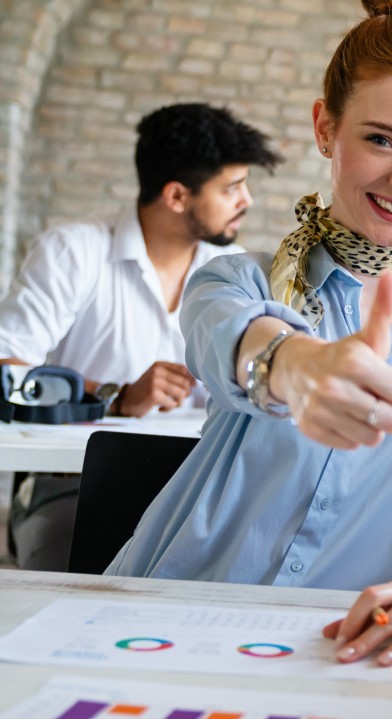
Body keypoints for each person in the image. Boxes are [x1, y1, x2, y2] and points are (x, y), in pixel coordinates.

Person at [107, 0, 392, 668]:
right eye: (379, 139)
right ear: (325, 127)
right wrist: (292, 363)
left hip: (345, 654)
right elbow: (227, 336)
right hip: (171, 623)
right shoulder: (237, 280)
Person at [0, 102, 283, 570]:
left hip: (196, 492)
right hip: (72, 488)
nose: (246, 200)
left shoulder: (235, 271)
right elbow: (7, 371)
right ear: (176, 196)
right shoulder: (74, 251)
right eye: (232, 187)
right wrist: (115, 395)